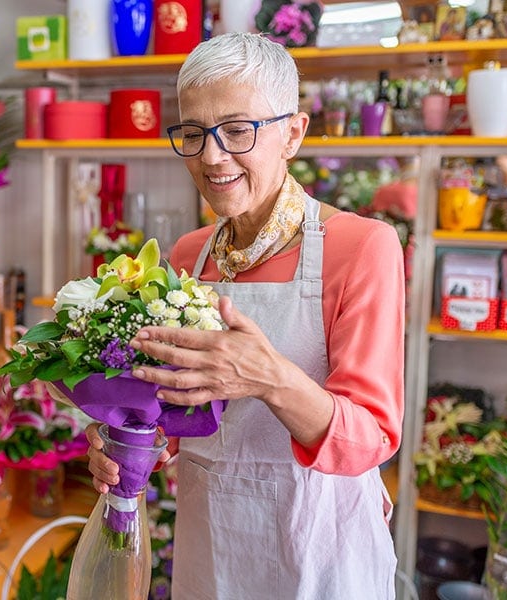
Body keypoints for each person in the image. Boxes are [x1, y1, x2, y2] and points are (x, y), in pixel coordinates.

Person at [86, 32, 405, 599]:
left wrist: (271, 378)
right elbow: (180, 421)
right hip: (213, 548)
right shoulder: (188, 255)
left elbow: (371, 439)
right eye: (193, 133)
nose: (212, 156)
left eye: (237, 130)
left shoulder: (361, 247)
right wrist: (131, 438)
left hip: (320, 555)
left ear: (293, 133)